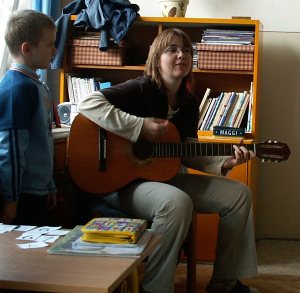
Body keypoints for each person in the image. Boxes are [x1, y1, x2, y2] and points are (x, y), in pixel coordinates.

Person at [78, 28, 259, 293]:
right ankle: (156, 288)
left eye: (186, 50)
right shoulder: (139, 89)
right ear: (156, 57)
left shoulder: (188, 103)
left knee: (239, 194)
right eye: (172, 49)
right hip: (120, 182)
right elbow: (88, 103)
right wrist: (137, 126)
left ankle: (224, 283)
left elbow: (183, 149)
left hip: (163, 177)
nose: (181, 55)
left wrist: (224, 162)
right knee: (176, 202)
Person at [0, 10, 57, 226]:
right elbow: (11, 149)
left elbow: (45, 141)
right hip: (23, 194)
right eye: (49, 44)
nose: (54, 50)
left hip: (38, 190)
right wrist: (11, 199)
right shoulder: (17, 89)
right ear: (27, 48)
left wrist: (49, 184)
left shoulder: (36, 85)